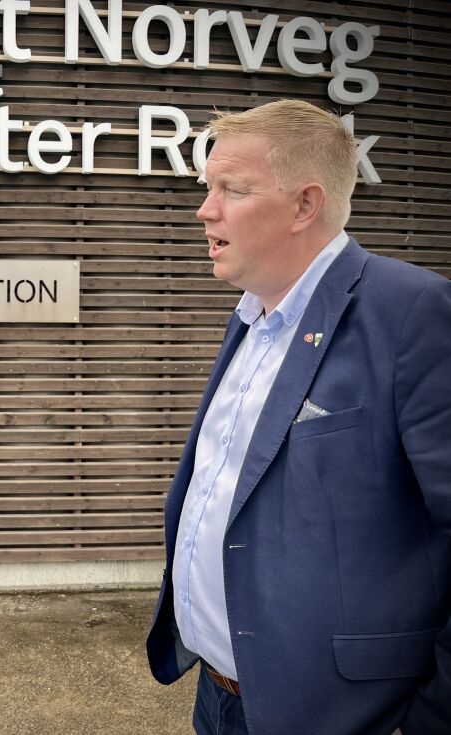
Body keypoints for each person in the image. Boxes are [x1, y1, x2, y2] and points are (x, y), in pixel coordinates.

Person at [146, 99, 451, 734]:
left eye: (232, 189)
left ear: (305, 205)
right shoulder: (252, 318)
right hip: (221, 694)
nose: (206, 210)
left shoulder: (412, 314)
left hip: (346, 715)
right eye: (208, 189)